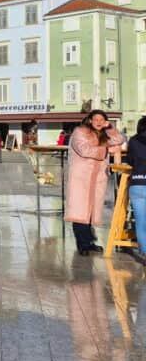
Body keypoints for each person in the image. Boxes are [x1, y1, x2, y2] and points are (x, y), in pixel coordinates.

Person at [66, 109, 124, 256]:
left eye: (102, 120)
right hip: (81, 177)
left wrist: (109, 128)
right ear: (90, 120)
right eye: (96, 119)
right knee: (80, 211)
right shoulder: (80, 132)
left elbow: (119, 140)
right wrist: (106, 150)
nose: (98, 122)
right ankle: (83, 244)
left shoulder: (103, 133)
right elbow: (84, 150)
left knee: (92, 211)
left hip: (97, 178)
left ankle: (90, 241)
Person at [125, 116, 146, 266]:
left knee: (140, 222)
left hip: (137, 183)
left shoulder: (133, 141)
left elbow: (130, 160)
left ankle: (145, 253)